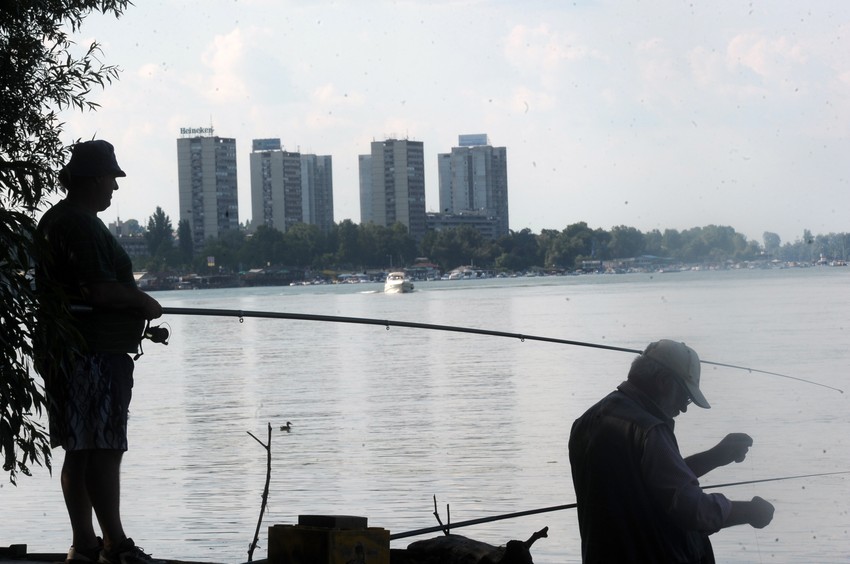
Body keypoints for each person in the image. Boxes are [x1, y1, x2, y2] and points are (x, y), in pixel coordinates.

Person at [35, 140, 164, 564]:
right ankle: (115, 545)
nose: (115, 187)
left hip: (71, 349)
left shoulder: (59, 219)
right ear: (92, 180)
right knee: (104, 446)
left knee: (82, 446)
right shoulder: (80, 225)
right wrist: (142, 301)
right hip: (92, 352)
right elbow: (98, 290)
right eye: (111, 178)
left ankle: (86, 545)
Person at [568, 339, 775, 563]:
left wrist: (714, 457)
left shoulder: (586, 422)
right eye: (685, 396)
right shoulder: (649, 429)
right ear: (664, 381)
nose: (684, 408)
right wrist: (749, 512)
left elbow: (646, 483)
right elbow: (691, 508)